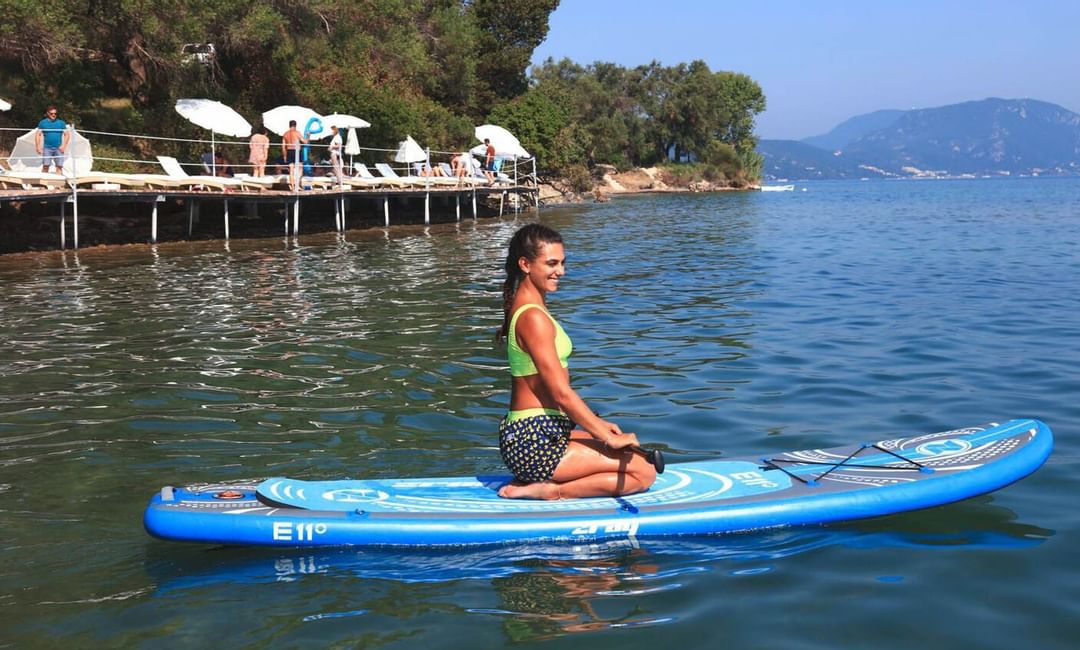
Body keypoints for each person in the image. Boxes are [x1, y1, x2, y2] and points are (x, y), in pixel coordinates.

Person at [496, 224, 657, 500]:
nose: (561, 271)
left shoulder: (530, 308)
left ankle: (541, 478)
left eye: (562, 262)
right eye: (551, 263)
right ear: (525, 264)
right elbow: (560, 393)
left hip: (539, 432)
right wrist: (608, 438)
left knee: (631, 453)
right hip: (534, 441)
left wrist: (598, 424)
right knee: (643, 472)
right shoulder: (532, 317)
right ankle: (554, 490)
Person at [35, 105, 70, 174]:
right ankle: (44, 183)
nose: (53, 115)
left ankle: (58, 184)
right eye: (51, 113)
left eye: (55, 114)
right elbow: (37, 134)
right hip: (47, 148)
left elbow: (67, 134)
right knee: (46, 166)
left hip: (58, 148)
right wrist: (38, 146)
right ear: (47, 113)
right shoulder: (42, 123)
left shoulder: (61, 123)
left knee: (59, 166)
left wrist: (64, 145)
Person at [282, 119, 307, 190]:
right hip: (296, 151)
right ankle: (297, 184)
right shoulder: (297, 133)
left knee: (291, 170)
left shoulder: (285, 134)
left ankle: (292, 186)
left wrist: (284, 155)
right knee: (300, 168)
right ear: (295, 125)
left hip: (289, 151)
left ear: (289, 125)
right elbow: (304, 141)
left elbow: (283, 146)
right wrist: (308, 136)